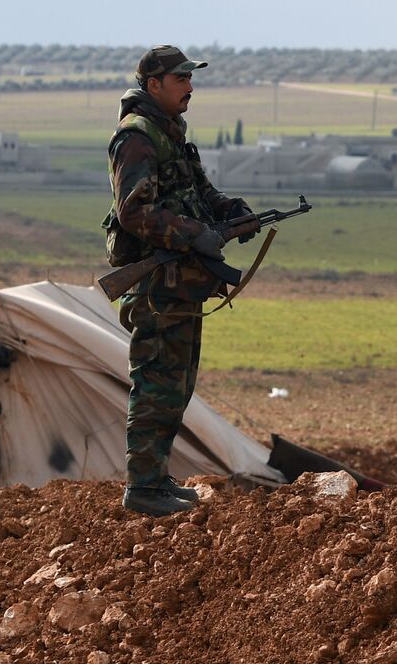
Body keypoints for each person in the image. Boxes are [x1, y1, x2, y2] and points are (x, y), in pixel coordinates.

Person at [107, 45, 260, 517]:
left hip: (181, 285)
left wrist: (230, 213)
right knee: (156, 383)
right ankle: (143, 488)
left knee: (177, 386)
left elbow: (197, 192)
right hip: (158, 285)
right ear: (154, 85)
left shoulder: (171, 135)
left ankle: (155, 477)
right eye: (181, 80)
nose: (190, 88)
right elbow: (133, 213)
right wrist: (196, 233)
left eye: (190, 79)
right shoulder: (137, 137)